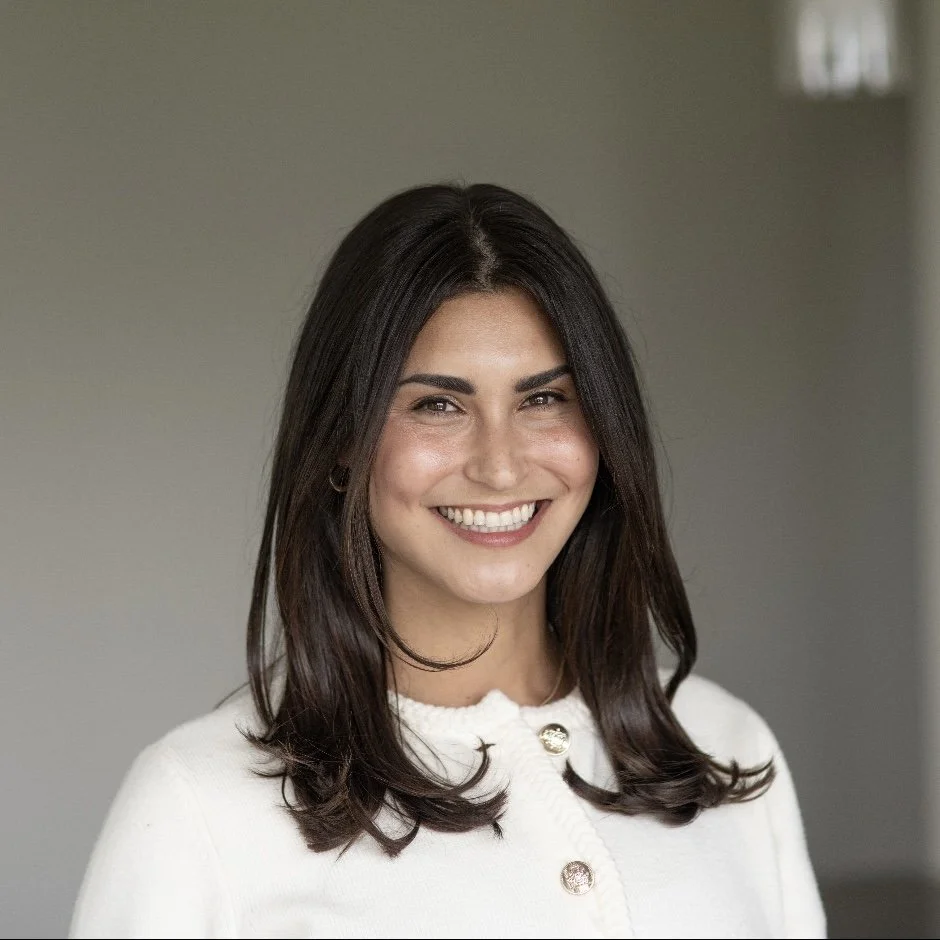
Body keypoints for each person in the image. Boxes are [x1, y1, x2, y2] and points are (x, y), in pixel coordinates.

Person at [69, 182, 826, 939]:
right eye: (438, 404)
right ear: (341, 440)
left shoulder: (728, 748)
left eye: (544, 400)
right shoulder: (196, 807)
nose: (500, 467)